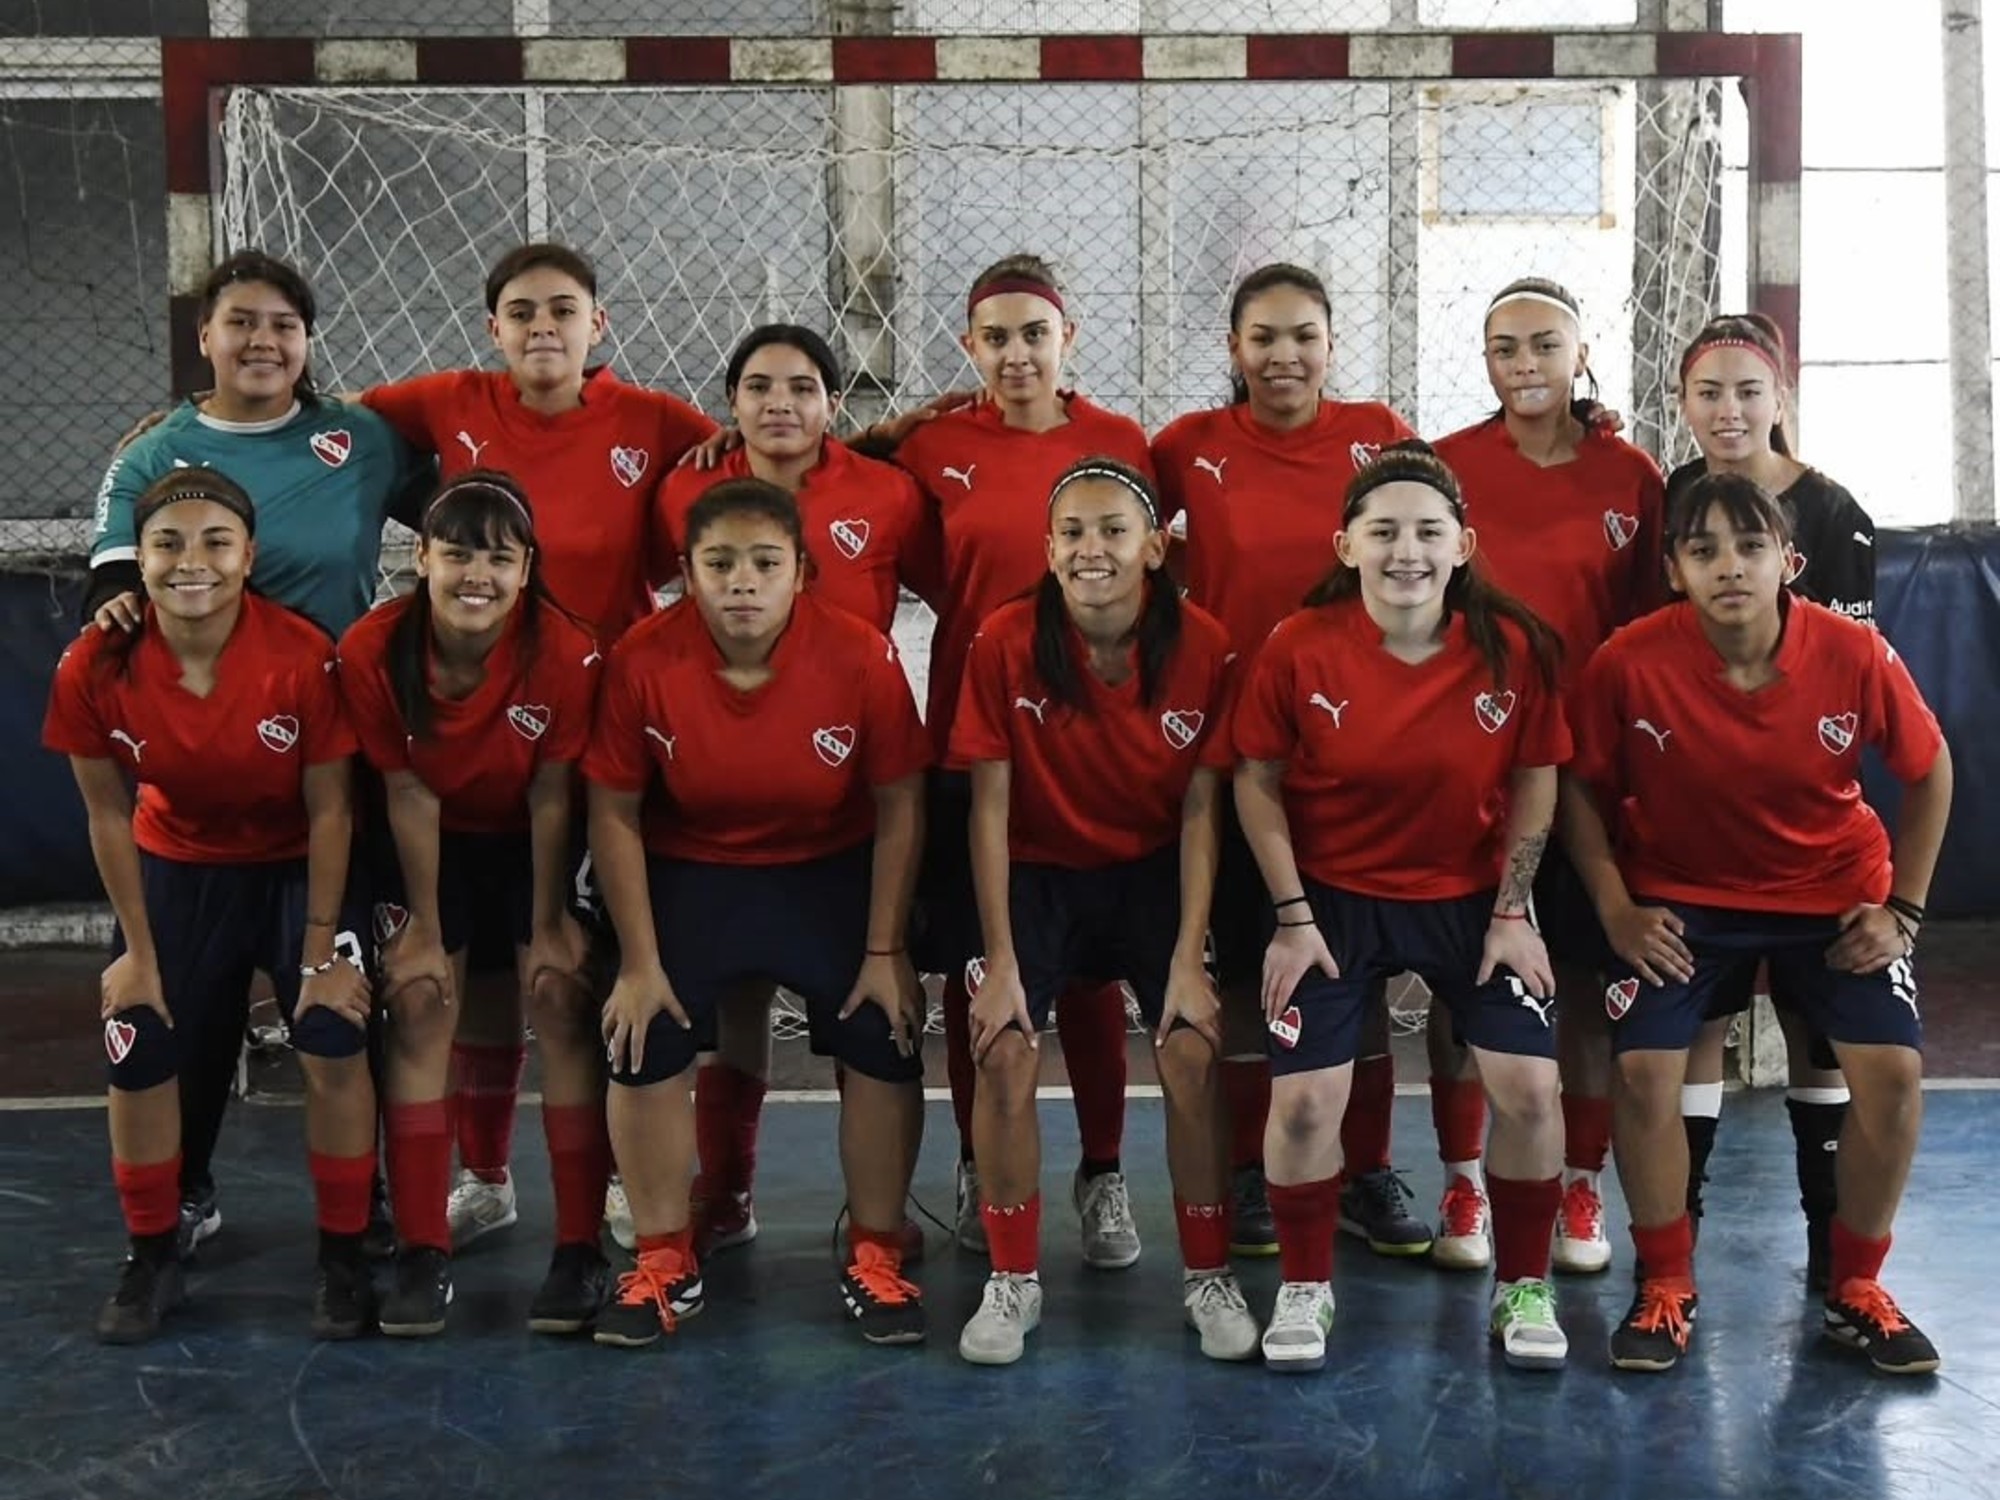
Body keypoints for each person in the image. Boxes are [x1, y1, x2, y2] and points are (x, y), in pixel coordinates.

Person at [359, 242, 715, 1247]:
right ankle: (483, 1175)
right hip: (473, 731)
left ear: (598, 326)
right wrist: (160, 440)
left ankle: (613, 1173)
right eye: (522, 311)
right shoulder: (449, 400)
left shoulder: (654, 422)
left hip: (603, 739)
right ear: (494, 329)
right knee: (478, 976)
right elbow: (326, 418)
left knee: (582, 968)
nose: (543, 326)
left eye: (564, 309)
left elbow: (758, 460)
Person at [1562, 469, 1950, 1375]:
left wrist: (1904, 912)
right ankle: (1665, 1284)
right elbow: (1577, 787)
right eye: (1703, 551)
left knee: (1892, 1075)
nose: (1728, 567)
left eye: (1749, 546)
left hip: (1833, 897)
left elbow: (1931, 773)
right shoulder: (1627, 660)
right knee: (1647, 1077)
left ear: (1790, 560)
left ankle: (1857, 1288)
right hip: (1684, 901)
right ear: (1673, 570)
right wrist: (1616, 904)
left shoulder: (1854, 652)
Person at [83, 249, 427, 1263]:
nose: (261, 340)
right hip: (199, 772)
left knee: (341, 1003)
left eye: (282, 323)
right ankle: (182, 1196)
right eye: (241, 322)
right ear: (205, 336)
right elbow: (116, 575)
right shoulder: (156, 453)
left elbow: (468, 509)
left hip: (334, 761)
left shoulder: (359, 439)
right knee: (186, 1004)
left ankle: (358, 1207)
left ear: (307, 340)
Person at [1233, 442, 1574, 1373]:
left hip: (1469, 901)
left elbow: (1538, 782)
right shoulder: (1295, 647)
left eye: (1427, 531)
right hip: (1335, 903)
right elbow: (1255, 782)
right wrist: (1292, 916)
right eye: (1382, 531)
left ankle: (1523, 1286)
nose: (1405, 550)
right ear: (1345, 544)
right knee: (1304, 1106)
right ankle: (1306, 1285)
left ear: (1463, 544)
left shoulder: (1517, 648)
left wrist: (1514, 909)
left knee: (1532, 1089)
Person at [581, 478, 932, 1348]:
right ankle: (665, 1258)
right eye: (719, 563)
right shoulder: (641, 658)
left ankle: (877, 1252)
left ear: (802, 572)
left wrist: (886, 949)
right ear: (686, 574)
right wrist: (636, 959)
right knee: (642, 1029)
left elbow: (901, 802)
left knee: (883, 1030)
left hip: (826, 867)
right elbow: (615, 812)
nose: (742, 581)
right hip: (693, 866)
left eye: (764, 563)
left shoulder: (861, 656)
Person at [47, 468, 378, 1342]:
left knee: (333, 1030)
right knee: (140, 1035)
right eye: (167, 543)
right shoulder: (95, 663)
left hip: (296, 865)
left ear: (249, 556)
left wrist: (317, 952)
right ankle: (152, 1251)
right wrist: (136, 952)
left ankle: (345, 1253)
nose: (191, 561)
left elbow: (332, 807)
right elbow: (106, 811)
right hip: (176, 868)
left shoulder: (301, 656)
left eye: (215, 542)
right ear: (140, 558)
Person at [952, 459, 1253, 1365]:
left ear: (1155, 546)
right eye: (1073, 533)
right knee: (1003, 1047)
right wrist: (1000, 960)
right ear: (1047, 551)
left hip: (1154, 872)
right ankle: (1014, 1278)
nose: (1093, 549)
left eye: (1114, 531)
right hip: (1037, 874)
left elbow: (1203, 808)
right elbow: (990, 808)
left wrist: (1191, 956)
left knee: (1193, 1047)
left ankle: (1207, 1273)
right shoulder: (1003, 642)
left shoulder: (1205, 645)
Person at [891, 255, 1156, 1267]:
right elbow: (914, 554)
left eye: (1031, 334)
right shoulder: (931, 448)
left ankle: (1100, 1172)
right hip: (974, 747)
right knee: (978, 974)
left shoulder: (1120, 443)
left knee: (1087, 979)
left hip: (1097, 751)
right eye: (992, 337)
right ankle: (976, 1156)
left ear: (1066, 339)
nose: (1013, 354)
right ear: (967, 349)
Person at [1152, 262, 1420, 1261]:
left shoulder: (1377, 433)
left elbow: (1424, 544)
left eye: (1301, 334)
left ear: (1330, 343)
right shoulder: (1187, 446)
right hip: (1234, 751)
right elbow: (1133, 527)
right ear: (1232, 349)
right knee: (1248, 972)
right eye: (1261, 336)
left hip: (1358, 742)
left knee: (1357, 957)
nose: (1282, 355)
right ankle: (1249, 1175)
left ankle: (1366, 1168)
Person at [655, 323, 929, 1253]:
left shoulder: (888, 494)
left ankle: (879, 1221)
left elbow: (962, 579)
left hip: (845, 807)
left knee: (867, 1005)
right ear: (727, 404)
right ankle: (724, 1192)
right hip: (716, 798)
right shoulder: (684, 489)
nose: (782, 404)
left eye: (804, 387)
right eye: (760, 386)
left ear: (833, 403)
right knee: (731, 1004)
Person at [1430, 277, 1667, 1275]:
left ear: (1578, 356)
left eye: (1541, 345)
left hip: (1588, 768)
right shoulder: (1442, 467)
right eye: (1501, 348)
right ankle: (1460, 1178)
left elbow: (1655, 622)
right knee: (1463, 972)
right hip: (1467, 759)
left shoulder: (1629, 472)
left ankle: (1578, 1186)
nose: (1523, 364)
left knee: (1576, 980)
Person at [337, 472, 606, 1336]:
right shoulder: (373, 650)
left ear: (527, 569)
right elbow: (406, 794)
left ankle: (578, 1248)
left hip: (528, 836)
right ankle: (423, 1251)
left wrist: (551, 918)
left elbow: (554, 796)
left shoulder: (567, 650)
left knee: (558, 996)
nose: (475, 575)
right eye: (455, 553)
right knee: (421, 1006)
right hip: (428, 837)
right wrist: (419, 925)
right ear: (419, 557)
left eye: (499, 556)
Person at [1664, 313, 1877, 1287]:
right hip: (1693, 829)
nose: (1728, 409)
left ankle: (1834, 1256)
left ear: (1779, 401)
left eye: (1747, 391)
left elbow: (1855, 687)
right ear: (1681, 406)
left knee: (1815, 1035)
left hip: (1803, 830)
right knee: (1693, 1028)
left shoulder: (1833, 514)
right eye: (1707, 392)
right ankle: (1678, 1244)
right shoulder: (1674, 496)